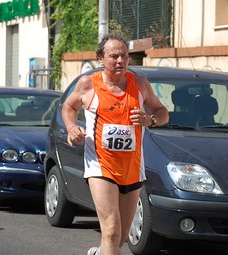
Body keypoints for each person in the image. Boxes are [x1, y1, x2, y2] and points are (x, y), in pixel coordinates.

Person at [62, 34, 169, 255]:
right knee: (110, 229)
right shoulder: (88, 84)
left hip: (132, 168)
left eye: (125, 56)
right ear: (101, 58)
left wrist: (151, 120)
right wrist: (72, 128)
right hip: (100, 165)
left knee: (120, 235)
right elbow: (68, 107)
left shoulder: (139, 84)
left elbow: (162, 112)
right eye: (114, 56)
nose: (120, 61)